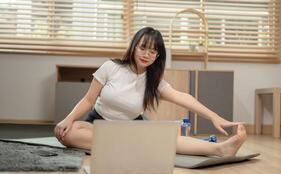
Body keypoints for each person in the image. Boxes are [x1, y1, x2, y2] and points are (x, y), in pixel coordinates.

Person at [54, 27, 247, 156]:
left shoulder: (153, 82)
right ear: (134, 47)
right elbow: (88, 100)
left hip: (131, 128)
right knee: (66, 133)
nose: (147, 54)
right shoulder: (110, 67)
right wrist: (68, 119)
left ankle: (221, 149)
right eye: (143, 48)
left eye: (153, 51)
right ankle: (135, 148)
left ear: (157, 56)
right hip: (98, 124)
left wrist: (214, 116)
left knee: (167, 137)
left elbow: (182, 97)